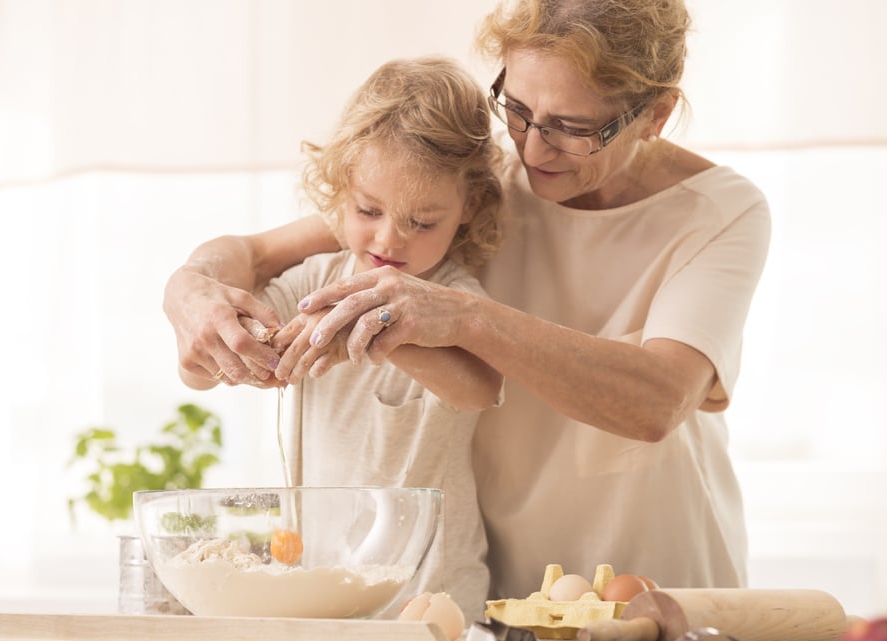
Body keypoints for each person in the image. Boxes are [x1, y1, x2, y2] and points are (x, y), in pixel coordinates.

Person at [164, 0, 771, 600]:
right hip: (501, 586)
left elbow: (657, 402)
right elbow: (257, 252)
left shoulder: (720, 213)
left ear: (655, 114)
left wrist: (466, 318)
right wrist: (189, 289)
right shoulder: (467, 188)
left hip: (660, 576)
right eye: (519, 110)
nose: (533, 152)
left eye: (574, 129)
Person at [187, 56, 505, 621]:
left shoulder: (456, 297)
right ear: (338, 191)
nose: (389, 238)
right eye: (367, 210)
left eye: (423, 221)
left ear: (469, 207)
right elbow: (195, 372)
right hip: (325, 595)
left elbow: (480, 386)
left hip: (435, 599)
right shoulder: (316, 280)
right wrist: (242, 343)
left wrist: (377, 332)